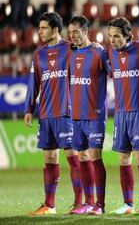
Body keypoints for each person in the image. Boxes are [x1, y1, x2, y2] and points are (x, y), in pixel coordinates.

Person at [24, 12, 82, 215]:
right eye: (39, 28)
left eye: (43, 28)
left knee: (73, 156)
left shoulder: (71, 48)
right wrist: (29, 109)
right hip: (46, 113)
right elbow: (34, 82)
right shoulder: (38, 54)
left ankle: (79, 204)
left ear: (55, 29)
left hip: (66, 111)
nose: (39, 32)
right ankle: (49, 205)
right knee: (49, 157)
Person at [107, 17, 139, 215]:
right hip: (120, 113)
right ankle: (128, 204)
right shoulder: (110, 52)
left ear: (127, 35)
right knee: (124, 158)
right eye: (110, 36)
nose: (112, 40)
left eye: (117, 36)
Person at [67, 15, 110, 215]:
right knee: (82, 156)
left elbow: (117, 73)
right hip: (76, 114)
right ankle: (88, 202)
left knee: (95, 156)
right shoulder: (72, 53)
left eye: (76, 31)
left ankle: (100, 205)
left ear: (86, 31)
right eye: (70, 32)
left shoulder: (99, 52)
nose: (72, 36)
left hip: (94, 114)